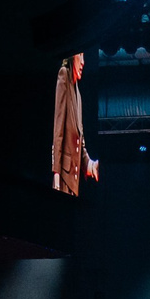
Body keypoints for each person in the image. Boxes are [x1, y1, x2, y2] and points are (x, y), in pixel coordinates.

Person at [51, 52, 100, 195]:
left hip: (74, 181)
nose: (83, 62)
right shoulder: (64, 75)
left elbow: (80, 141)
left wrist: (91, 166)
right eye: (80, 55)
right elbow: (58, 130)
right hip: (64, 177)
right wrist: (56, 174)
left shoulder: (78, 94)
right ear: (72, 57)